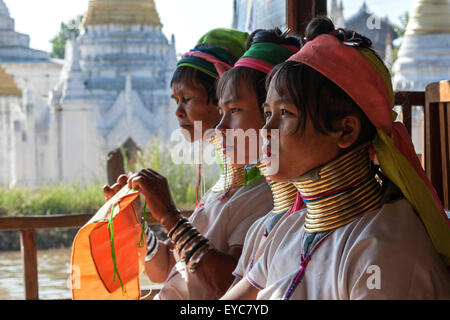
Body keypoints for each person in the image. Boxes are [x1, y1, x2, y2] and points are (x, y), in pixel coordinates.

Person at [222, 17, 450, 300]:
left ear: (346, 130)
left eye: (286, 114)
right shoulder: (292, 229)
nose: (265, 131)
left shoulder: (383, 251)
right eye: (268, 114)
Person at [106, 28, 274, 300]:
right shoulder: (221, 187)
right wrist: (136, 222)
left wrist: (170, 216)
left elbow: (228, 288)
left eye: (187, 99)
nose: (178, 112)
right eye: (175, 101)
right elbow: (168, 269)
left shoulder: (265, 193)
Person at [214, 28, 302, 287]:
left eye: (235, 110)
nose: (220, 128)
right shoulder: (263, 226)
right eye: (222, 112)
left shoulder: (320, 222)